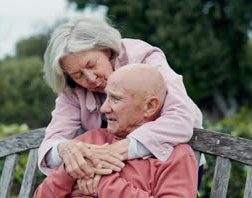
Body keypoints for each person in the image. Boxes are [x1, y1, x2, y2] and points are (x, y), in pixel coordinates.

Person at [34, 64, 199, 198]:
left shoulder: (174, 155)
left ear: (149, 106)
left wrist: (103, 184)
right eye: (106, 97)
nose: (104, 108)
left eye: (116, 99)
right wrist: (71, 171)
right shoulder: (90, 141)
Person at [38, 16, 203, 180]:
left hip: (171, 169)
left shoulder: (144, 58)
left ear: (107, 50)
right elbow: (51, 143)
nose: (91, 79)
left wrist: (117, 150)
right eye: (78, 75)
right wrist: (63, 149)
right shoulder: (72, 88)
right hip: (117, 173)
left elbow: (181, 116)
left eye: (92, 65)